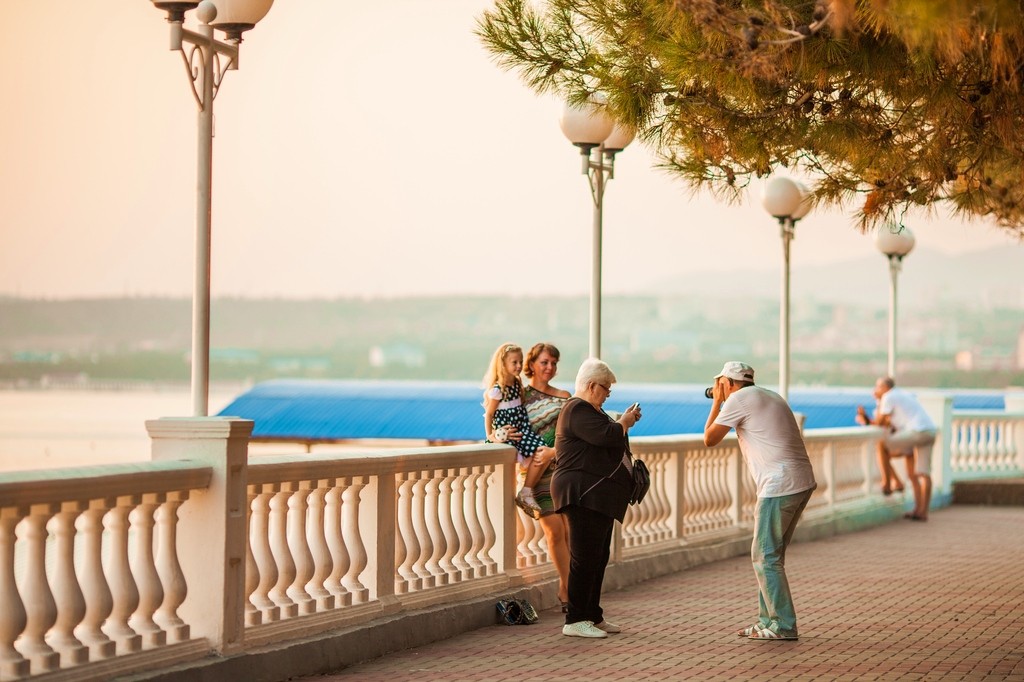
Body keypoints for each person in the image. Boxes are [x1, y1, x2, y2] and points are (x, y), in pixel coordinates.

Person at [703, 361, 817, 641]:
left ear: (728, 383)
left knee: (765, 557)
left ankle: (783, 625)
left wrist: (717, 402)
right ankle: (767, 620)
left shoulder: (737, 399)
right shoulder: (771, 395)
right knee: (770, 557)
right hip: (800, 481)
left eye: (720, 385)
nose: (718, 389)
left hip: (779, 485)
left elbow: (709, 439)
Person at [551, 358, 641, 639]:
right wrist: (623, 422)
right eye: (606, 389)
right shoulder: (577, 408)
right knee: (584, 557)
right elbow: (607, 436)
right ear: (591, 386)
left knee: (598, 555)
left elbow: (610, 437)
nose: (608, 394)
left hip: (596, 494)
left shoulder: (591, 410)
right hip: (581, 494)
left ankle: (592, 614)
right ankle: (575, 619)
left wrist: (622, 423)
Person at [521, 342, 572, 611]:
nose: (549, 368)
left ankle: (567, 589)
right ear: (531, 364)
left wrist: (553, 450)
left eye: (553, 363)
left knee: (571, 531)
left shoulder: (564, 396)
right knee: (554, 531)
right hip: (534, 471)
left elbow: (570, 432)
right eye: (544, 362)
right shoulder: (519, 396)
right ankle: (567, 588)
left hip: (562, 467)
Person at [482, 342, 553, 515]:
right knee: (540, 451)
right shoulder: (498, 390)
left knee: (543, 451)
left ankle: (526, 489)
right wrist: (491, 436)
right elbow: (489, 414)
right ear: (503, 364)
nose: (519, 366)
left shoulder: (516, 384)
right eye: (514, 362)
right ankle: (526, 491)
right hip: (508, 432)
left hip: (521, 429)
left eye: (520, 362)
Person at [855, 376, 937, 521]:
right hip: (928, 431)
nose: (875, 390)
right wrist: (867, 419)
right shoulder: (901, 395)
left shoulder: (888, 396)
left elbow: (880, 423)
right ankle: (921, 512)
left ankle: (888, 484)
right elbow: (887, 424)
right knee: (921, 473)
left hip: (916, 432)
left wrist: (867, 418)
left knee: (882, 445)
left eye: (878, 387)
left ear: (886, 387)